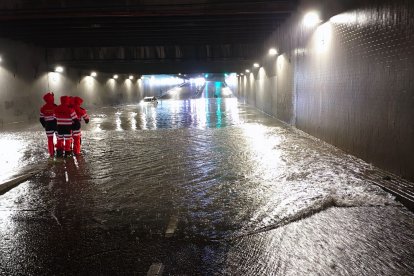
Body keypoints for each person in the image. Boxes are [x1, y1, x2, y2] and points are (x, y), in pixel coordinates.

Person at [39, 92, 57, 157]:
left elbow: (41, 119)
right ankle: (59, 151)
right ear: (52, 99)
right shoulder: (55, 107)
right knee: (58, 138)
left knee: (50, 139)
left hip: (48, 126)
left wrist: (45, 125)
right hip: (56, 125)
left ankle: (51, 153)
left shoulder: (43, 108)